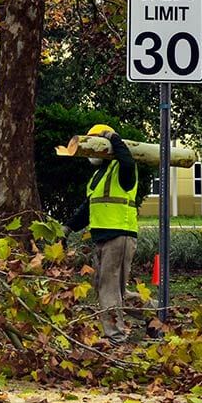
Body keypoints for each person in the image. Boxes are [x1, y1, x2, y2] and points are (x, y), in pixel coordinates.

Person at [62, 124, 138, 346]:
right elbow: (89, 207)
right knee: (109, 287)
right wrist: (68, 228)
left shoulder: (123, 169)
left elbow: (127, 160)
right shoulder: (97, 176)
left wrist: (114, 139)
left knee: (108, 288)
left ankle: (116, 337)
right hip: (102, 237)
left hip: (119, 235)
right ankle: (156, 314)